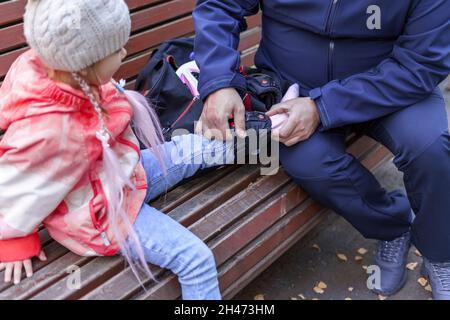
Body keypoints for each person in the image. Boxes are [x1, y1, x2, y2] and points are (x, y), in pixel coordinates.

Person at [193, 0, 450, 299]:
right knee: (312, 164)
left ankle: (440, 252)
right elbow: (219, 5)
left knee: (431, 149)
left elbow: (420, 64)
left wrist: (323, 107)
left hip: (390, 87)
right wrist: (219, 81)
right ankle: (394, 227)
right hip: (293, 87)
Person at [0, 0, 237, 300]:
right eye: (116, 50)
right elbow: (14, 185)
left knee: (191, 149)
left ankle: (267, 136)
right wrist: (13, 240)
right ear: (84, 64)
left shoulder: (59, 67)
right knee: (197, 261)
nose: (124, 53)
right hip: (100, 214)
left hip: (120, 174)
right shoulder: (52, 129)